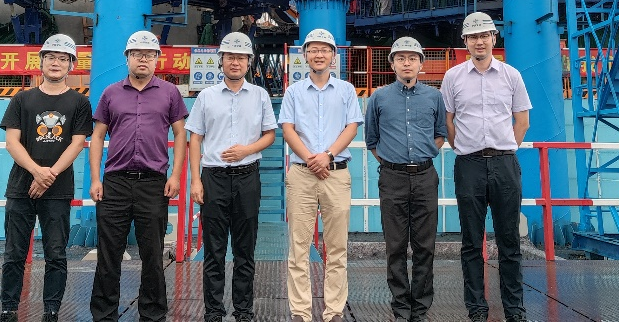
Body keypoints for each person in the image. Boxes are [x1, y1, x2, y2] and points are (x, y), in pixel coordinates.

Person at [89, 30, 189, 323]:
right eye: (136, 54)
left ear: (157, 59)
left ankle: (153, 315)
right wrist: (95, 179)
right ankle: (104, 315)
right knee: (108, 253)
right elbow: (97, 137)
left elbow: (180, 134)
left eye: (148, 54)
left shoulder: (170, 93)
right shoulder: (111, 93)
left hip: (153, 184)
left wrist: (175, 176)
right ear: (127, 58)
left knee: (152, 254)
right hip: (115, 183)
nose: (142, 59)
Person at [441, 12, 530, 323]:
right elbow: (448, 122)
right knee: (470, 241)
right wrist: (464, 149)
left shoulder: (511, 76)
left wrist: (505, 148)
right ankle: (477, 309)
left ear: (494, 38)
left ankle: (514, 310)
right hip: (469, 164)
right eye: (473, 37)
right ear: (465, 42)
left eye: (484, 36)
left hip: (505, 163)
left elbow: (522, 121)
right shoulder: (452, 78)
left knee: (509, 241)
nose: (479, 42)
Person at [0, 34, 93, 323]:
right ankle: (8, 308)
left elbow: (77, 143)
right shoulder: (22, 99)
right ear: (41, 61)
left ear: (71, 65)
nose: (56, 63)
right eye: (51, 57)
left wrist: (49, 175)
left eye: (63, 59)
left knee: (56, 253)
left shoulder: (79, 102)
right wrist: (37, 172)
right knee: (14, 252)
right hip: (21, 187)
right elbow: (12, 142)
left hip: (57, 190)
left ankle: (51, 311)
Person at [187, 32, 278, 323]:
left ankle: (243, 311)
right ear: (221, 61)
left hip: (247, 178)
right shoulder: (206, 96)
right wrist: (196, 181)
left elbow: (270, 135)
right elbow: (195, 139)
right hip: (213, 178)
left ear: (249, 62)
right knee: (213, 250)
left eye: (241, 57)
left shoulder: (260, 96)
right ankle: (214, 312)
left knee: (244, 249)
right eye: (230, 57)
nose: (235, 62)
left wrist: (246, 150)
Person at [278, 28, 363, 323]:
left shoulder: (346, 90)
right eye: (313, 50)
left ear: (333, 56)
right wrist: (311, 159)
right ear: (305, 55)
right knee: (298, 247)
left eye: (324, 50)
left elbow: (352, 126)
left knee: (337, 247)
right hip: (302, 175)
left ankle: (334, 311)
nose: (319, 55)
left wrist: (327, 155)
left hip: (335, 174)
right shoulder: (293, 91)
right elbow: (287, 128)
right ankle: (301, 312)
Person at [365, 36, 447, 323]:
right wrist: (393, 163)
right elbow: (372, 140)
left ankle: (420, 309)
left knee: (425, 246)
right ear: (392, 64)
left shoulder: (435, 97)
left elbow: (440, 134)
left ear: (421, 63)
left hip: (425, 177)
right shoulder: (378, 98)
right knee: (395, 246)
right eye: (401, 58)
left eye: (413, 58)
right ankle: (401, 308)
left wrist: (422, 157)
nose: (407, 63)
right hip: (392, 178)